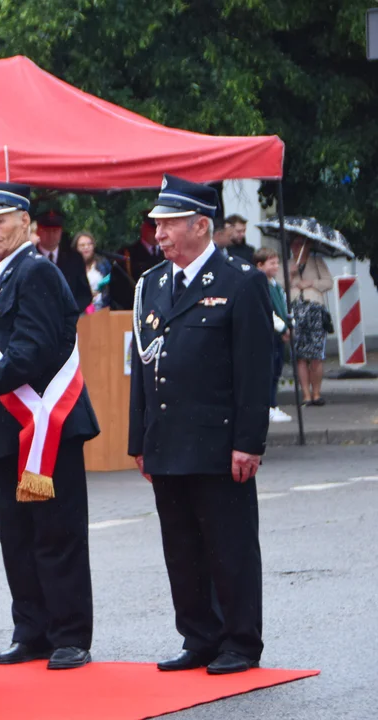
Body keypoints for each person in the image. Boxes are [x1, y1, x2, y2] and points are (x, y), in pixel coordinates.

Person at [129, 174, 271, 675]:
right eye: (157, 225)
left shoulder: (241, 282)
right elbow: (143, 371)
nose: (160, 233)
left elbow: (255, 371)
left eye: (168, 224)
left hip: (217, 441)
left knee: (229, 547)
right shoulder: (152, 285)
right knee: (182, 548)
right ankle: (199, 636)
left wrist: (249, 442)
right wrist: (138, 439)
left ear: (201, 225)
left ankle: (239, 642)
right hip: (166, 442)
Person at [0, 181, 99, 671]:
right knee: (17, 537)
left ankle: (70, 634)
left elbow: (31, 351)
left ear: (24, 222)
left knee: (56, 535)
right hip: (7, 428)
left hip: (47, 425)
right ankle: (31, 630)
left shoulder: (35, 271)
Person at [288, 235, 333, 406]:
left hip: (315, 309)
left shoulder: (317, 262)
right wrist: (291, 276)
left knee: (316, 355)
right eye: (294, 244)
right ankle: (306, 394)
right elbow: (279, 286)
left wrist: (311, 282)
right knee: (300, 356)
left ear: (308, 246)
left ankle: (316, 393)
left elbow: (328, 283)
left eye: (300, 244)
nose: (296, 247)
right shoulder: (287, 264)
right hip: (296, 309)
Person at [254, 247, 292, 423]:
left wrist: (290, 324)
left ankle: (273, 405)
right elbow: (268, 311)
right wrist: (283, 328)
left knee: (276, 370)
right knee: (268, 372)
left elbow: (283, 307)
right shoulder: (260, 286)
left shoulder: (276, 286)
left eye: (277, 262)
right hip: (268, 336)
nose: (276, 266)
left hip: (278, 335)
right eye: (272, 263)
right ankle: (267, 406)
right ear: (260, 265)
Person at [33, 209, 94, 312]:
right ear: (38, 231)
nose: (51, 235)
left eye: (55, 231)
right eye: (47, 231)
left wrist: (71, 311)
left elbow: (85, 295)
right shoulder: (29, 258)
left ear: (61, 231)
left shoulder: (74, 258)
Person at [73, 231, 111, 311]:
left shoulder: (103, 263)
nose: (86, 247)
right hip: (81, 313)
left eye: (89, 244)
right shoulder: (71, 267)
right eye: (82, 245)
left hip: (102, 310)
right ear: (76, 248)